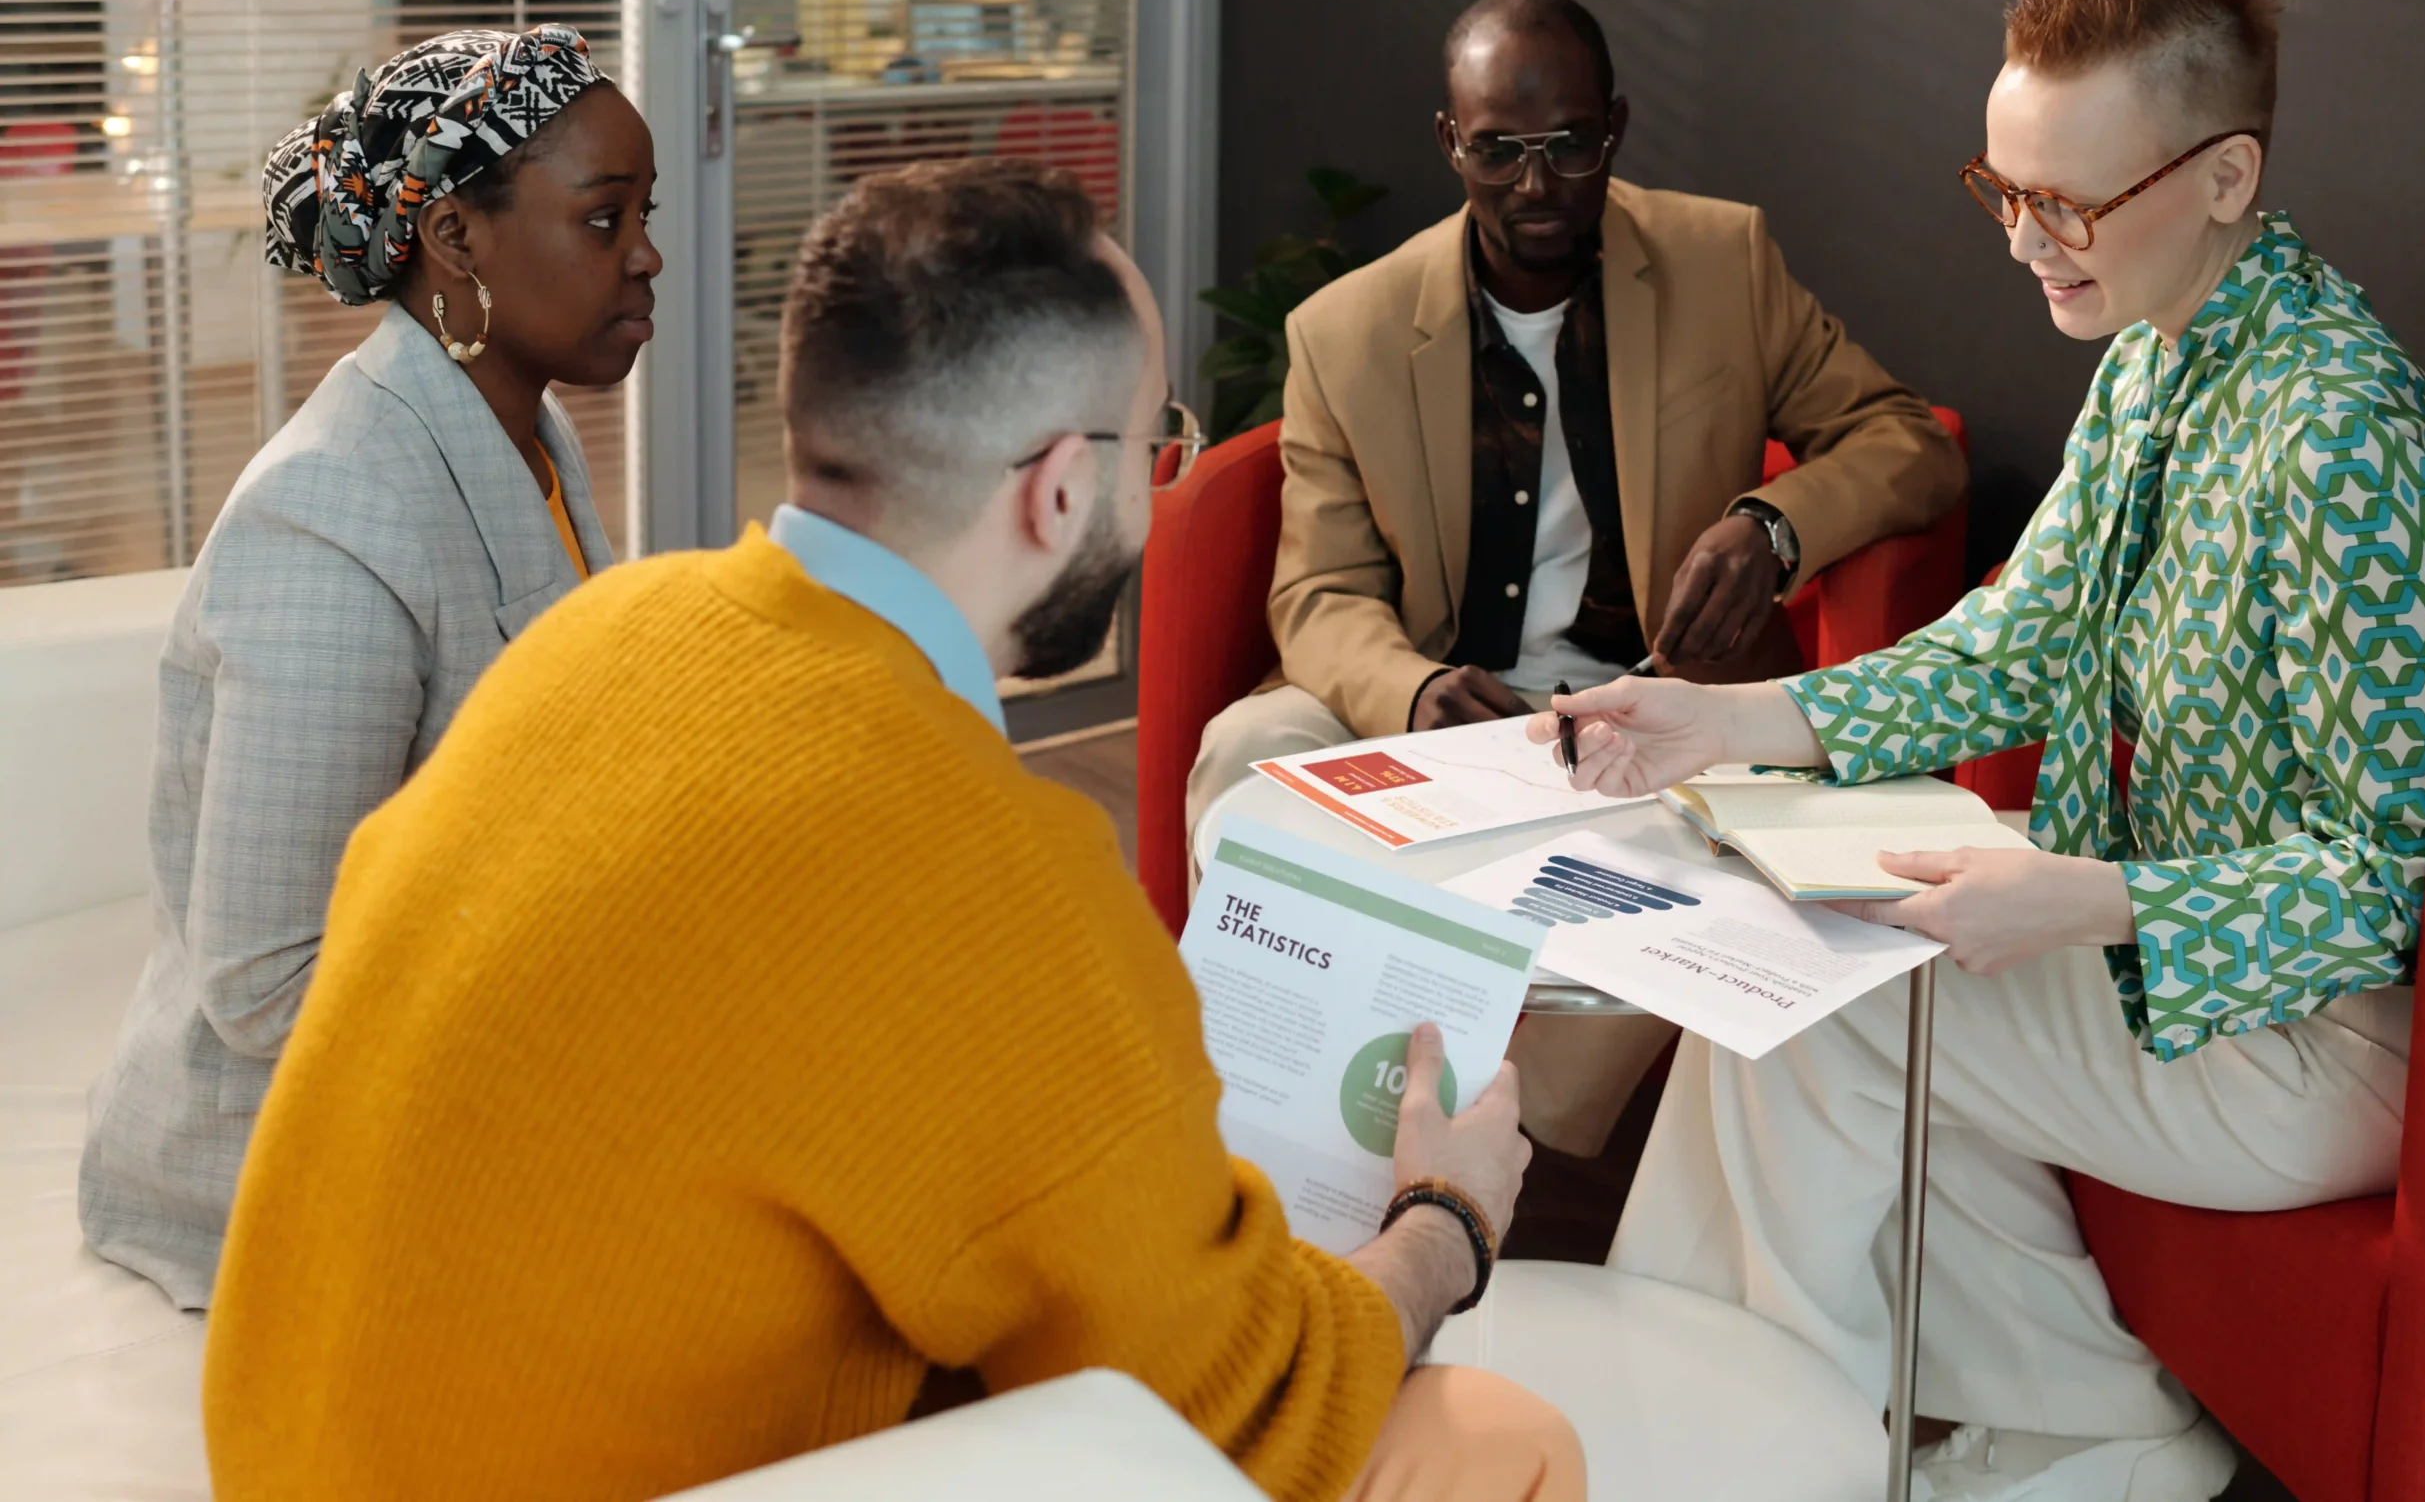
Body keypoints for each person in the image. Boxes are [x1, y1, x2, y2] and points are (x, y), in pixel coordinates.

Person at [200, 160, 1582, 1502]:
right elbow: (1253, 1403)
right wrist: (1443, 1221)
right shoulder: (982, 863)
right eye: (1152, 443)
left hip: (293, 1457)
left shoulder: (602, 634)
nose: (1158, 485)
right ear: (1056, 490)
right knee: (1497, 1432)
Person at [1535, 0, 2425, 1500]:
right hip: (2169, 949)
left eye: (2068, 203)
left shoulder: (2339, 439)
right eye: (2004, 187)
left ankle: (1743, 1448)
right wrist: (1730, 719)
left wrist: (2099, 896)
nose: (2023, 241)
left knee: (1830, 1003)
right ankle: (2080, 1429)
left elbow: (2422, 882)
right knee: (1793, 956)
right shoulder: (2155, 353)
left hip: (2330, 1039)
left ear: (2222, 175)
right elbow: (2016, 638)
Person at [1191, 0, 1967, 1154]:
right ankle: (1278, 1105)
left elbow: (1904, 442)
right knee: (1249, 751)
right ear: (1450, 141)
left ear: (1616, 127)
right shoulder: (1345, 332)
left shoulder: (1722, 261)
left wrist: (1771, 528)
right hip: (1441, 702)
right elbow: (1318, 594)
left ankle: (1504, 1140)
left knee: (1716, 862)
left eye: (1568, 146)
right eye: (1498, 151)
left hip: (1654, 706)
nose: (1536, 184)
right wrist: (1407, 690)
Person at [77, 25, 657, 1312]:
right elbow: (270, 983)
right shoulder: (335, 513)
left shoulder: (527, 428)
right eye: (605, 220)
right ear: (456, 240)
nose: (646, 255)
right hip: (288, 1170)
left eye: (643, 215)